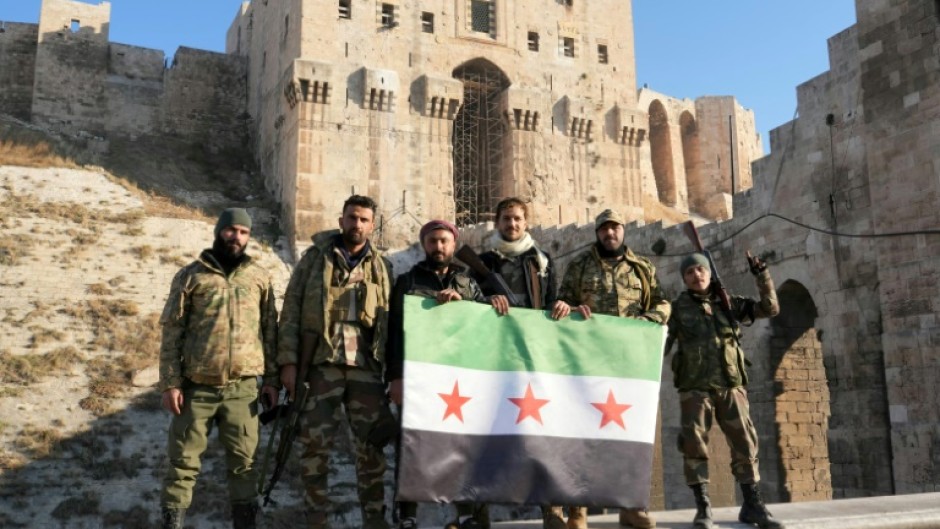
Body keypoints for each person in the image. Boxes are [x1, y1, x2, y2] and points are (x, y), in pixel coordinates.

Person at [277, 195, 394, 529]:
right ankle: (316, 520)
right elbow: (291, 311)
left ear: (372, 225)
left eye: (364, 220)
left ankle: (375, 521)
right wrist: (288, 363)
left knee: (372, 450)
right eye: (352, 218)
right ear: (341, 220)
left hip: (366, 368)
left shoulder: (382, 267)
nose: (357, 225)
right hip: (321, 365)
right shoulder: (314, 260)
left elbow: (391, 318)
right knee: (314, 450)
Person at [158, 208, 279, 529]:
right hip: (196, 388)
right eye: (231, 230)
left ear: (249, 237)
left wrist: (273, 382)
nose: (236, 236)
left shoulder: (259, 278)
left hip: (243, 390)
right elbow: (172, 330)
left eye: (243, 231)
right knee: (182, 464)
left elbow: (271, 332)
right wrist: (171, 383)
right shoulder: (190, 276)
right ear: (219, 231)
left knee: (244, 465)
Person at [553, 209, 671, 529]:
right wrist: (569, 308)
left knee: (630, 436)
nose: (610, 234)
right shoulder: (579, 266)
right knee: (582, 435)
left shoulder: (642, 268)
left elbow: (662, 303)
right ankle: (577, 512)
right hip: (589, 365)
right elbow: (562, 303)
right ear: (597, 233)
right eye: (604, 229)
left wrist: (648, 320)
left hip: (629, 365)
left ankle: (630, 507)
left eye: (615, 228)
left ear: (623, 231)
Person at [667, 252, 784, 529]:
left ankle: (753, 505)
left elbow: (770, 308)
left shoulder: (729, 303)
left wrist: (762, 276)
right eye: (690, 273)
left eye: (700, 270)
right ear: (684, 279)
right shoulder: (678, 308)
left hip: (731, 385)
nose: (697, 276)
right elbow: (660, 342)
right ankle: (703, 507)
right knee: (694, 446)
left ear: (709, 272)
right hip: (695, 389)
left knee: (745, 443)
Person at [468, 197, 565, 529]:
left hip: (533, 357)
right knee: (486, 435)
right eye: (507, 219)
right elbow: (468, 301)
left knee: (543, 436)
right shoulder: (483, 262)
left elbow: (552, 301)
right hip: (495, 359)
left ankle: (552, 510)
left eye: (518, 219)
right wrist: (485, 302)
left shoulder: (542, 261)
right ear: (498, 223)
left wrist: (561, 307)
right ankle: (475, 513)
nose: (512, 224)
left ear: (527, 223)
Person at [386, 219, 486, 529]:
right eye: (432, 241)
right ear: (424, 245)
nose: (438, 247)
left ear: (453, 244)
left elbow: (485, 326)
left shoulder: (468, 283)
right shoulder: (407, 281)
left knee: (460, 446)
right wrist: (395, 377)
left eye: (444, 241)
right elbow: (394, 333)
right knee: (411, 445)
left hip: (457, 380)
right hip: (417, 377)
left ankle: (466, 512)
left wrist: (462, 306)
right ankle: (407, 515)